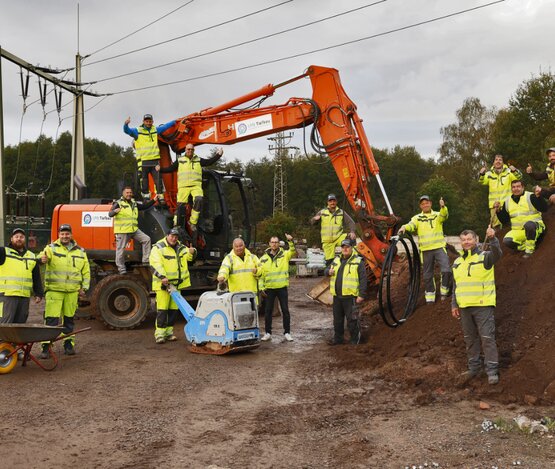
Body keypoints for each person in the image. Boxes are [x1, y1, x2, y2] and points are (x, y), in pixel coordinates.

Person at [451, 226, 502, 385]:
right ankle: (474, 368)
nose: (466, 242)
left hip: (483, 305)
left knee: (487, 338)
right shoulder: (457, 262)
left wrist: (493, 239)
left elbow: (497, 254)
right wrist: (454, 304)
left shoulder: (485, 257)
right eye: (464, 240)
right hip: (465, 307)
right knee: (470, 339)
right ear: (461, 242)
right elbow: (455, 285)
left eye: (469, 239)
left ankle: (492, 371)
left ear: (476, 240)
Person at [39, 224, 90, 358]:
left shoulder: (80, 251)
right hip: (54, 291)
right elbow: (41, 256)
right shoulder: (51, 248)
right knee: (51, 321)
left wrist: (84, 288)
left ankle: (68, 345)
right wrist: (41, 259)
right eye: (62, 233)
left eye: (67, 233)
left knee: (69, 320)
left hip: (72, 293)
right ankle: (46, 347)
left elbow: (86, 271)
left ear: (71, 235)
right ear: (59, 235)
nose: (65, 236)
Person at [398, 195, 452, 303]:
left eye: (427, 203)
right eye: (423, 203)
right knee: (427, 275)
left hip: (439, 248)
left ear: (430, 203)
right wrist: (404, 227)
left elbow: (444, 216)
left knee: (446, 270)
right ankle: (430, 297)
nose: (425, 205)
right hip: (426, 250)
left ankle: (444, 293)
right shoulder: (417, 218)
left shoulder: (437, 215)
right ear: (420, 206)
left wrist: (443, 207)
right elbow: (411, 225)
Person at [149, 228, 197, 344]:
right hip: (163, 285)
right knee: (162, 310)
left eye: (176, 236)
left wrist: (192, 251)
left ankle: (169, 333)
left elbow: (189, 258)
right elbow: (154, 264)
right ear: (167, 235)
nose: (174, 238)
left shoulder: (181, 247)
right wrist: (162, 277)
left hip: (176, 285)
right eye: (172, 236)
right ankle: (160, 334)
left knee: (173, 310)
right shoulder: (158, 247)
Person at [160, 143, 224, 230]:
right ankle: (176, 224)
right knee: (180, 206)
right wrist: (160, 169)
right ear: (185, 150)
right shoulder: (180, 160)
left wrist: (218, 155)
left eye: (191, 149)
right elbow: (170, 169)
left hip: (195, 186)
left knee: (199, 199)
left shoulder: (198, 160)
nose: (190, 151)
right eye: (188, 149)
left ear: (194, 151)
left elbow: (209, 162)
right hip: (183, 187)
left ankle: (192, 222)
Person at [123, 114, 175, 202]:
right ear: (143, 122)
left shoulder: (155, 130)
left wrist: (174, 122)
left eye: (150, 121)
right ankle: (146, 196)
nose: (148, 123)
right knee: (144, 181)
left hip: (154, 161)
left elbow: (165, 126)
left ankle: (160, 197)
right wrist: (126, 124)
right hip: (144, 162)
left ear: (152, 122)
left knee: (158, 180)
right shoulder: (137, 131)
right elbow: (127, 131)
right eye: (147, 121)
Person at [324, 239, 367, 345]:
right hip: (337, 297)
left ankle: (355, 340)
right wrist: (328, 271)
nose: (345, 249)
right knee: (337, 321)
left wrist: (361, 295)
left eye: (347, 247)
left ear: (352, 248)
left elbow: (363, 279)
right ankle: (338, 339)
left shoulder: (358, 262)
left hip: (351, 297)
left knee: (352, 320)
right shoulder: (336, 260)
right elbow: (326, 270)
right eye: (343, 247)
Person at [109, 186, 156, 274]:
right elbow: (110, 214)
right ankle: (121, 269)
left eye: (130, 192)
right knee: (120, 250)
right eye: (127, 192)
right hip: (123, 231)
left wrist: (154, 200)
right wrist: (115, 211)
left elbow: (144, 206)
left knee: (146, 239)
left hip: (134, 230)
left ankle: (145, 261)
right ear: (123, 193)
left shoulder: (134, 203)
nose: (129, 194)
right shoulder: (118, 203)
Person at [0, 228, 43, 324]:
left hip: (24, 297)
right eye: (16, 237)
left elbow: (36, 276)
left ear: (25, 239)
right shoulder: (3, 252)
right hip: (7, 296)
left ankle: (13, 340)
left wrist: (39, 293)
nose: (19, 239)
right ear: (11, 239)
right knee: (4, 324)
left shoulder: (31, 256)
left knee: (20, 325)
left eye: (21, 237)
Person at [494, 180, 547, 258]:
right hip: (519, 231)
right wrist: (498, 211)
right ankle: (527, 246)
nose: (516, 189)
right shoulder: (507, 201)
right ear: (511, 189)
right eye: (514, 187)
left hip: (535, 227)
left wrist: (539, 197)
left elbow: (544, 208)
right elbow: (504, 221)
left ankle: (529, 250)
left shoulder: (530, 196)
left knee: (529, 225)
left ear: (523, 187)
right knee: (507, 241)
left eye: (518, 186)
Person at [259, 233, 296, 343]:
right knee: (268, 311)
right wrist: (261, 288)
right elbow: (260, 275)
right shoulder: (263, 259)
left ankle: (287, 333)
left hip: (282, 288)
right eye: (272, 242)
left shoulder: (284, 255)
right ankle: (268, 333)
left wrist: (290, 241)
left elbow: (293, 251)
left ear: (279, 244)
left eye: (276, 242)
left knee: (285, 310)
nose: (274, 244)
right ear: (269, 244)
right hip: (269, 289)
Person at [310, 194, 356, 265]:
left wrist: (352, 232)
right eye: (330, 201)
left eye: (334, 201)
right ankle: (332, 272)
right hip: (327, 241)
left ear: (336, 202)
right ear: (327, 203)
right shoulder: (322, 212)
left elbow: (351, 222)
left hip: (338, 237)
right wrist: (315, 219)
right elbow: (312, 223)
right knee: (329, 262)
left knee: (350, 237)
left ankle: (353, 259)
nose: (332, 203)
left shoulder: (341, 212)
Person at [479, 154, 523, 229]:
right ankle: (497, 240)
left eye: (500, 160)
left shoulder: (509, 172)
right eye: (496, 160)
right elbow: (482, 182)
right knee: (496, 227)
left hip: (508, 204)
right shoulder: (489, 174)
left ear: (503, 162)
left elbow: (519, 177)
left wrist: (515, 170)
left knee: (509, 225)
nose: (498, 161)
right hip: (494, 205)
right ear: (493, 162)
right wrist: (481, 174)